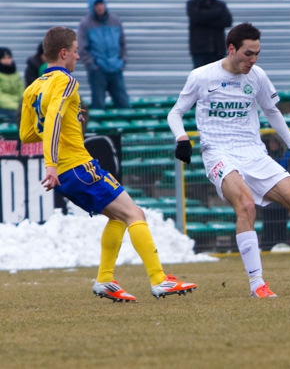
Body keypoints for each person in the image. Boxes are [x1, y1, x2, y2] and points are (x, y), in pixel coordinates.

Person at [19, 27, 196, 302]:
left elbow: (27, 134)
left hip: (67, 173)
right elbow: (53, 118)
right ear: (63, 53)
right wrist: (51, 164)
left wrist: (70, 122)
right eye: (76, 50)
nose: (78, 56)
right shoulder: (65, 81)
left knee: (119, 217)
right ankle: (159, 281)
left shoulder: (33, 88)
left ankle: (105, 280)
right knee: (136, 215)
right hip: (76, 165)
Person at [168, 23, 290, 298]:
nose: (254, 60)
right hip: (219, 153)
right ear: (232, 49)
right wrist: (182, 138)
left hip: (254, 152)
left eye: (257, 53)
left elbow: (272, 112)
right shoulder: (202, 76)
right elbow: (175, 113)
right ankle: (257, 283)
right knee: (246, 205)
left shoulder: (257, 76)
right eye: (249, 54)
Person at [77, 0, 130, 110]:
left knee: (124, 104)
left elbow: (123, 43)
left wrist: (122, 61)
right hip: (98, 72)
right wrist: (93, 66)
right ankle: (97, 129)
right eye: (96, 4)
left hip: (116, 70)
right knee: (98, 105)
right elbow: (81, 48)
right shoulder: (85, 24)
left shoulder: (115, 20)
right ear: (91, 6)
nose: (100, 7)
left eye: (101, 3)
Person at [261, 133, 290, 249]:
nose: (272, 145)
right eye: (270, 142)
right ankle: (267, 248)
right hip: (268, 200)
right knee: (267, 227)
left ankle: (281, 246)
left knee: (281, 226)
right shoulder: (265, 158)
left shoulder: (288, 157)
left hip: (282, 200)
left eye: (274, 142)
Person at [187, 0, 233, 68]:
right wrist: (217, 13)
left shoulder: (220, 4)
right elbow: (197, 18)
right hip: (200, 51)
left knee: (218, 77)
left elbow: (227, 21)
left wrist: (205, 18)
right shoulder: (192, 4)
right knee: (200, 78)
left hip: (218, 50)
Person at [0, 48, 24, 122]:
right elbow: (1, 97)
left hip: (17, 105)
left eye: (9, 58)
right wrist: (17, 106)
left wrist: (23, 103)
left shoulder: (15, 73)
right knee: (17, 116)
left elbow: (21, 89)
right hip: (4, 107)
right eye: (4, 58)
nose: (7, 61)